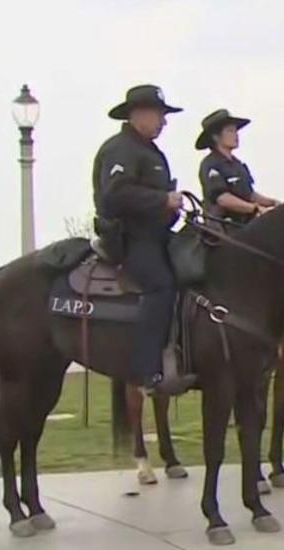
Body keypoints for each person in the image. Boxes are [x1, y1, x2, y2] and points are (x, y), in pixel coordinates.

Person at [92, 84, 196, 396]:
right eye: (159, 115)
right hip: (129, 239)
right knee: (160, 284)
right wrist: (163, 200)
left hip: (155, 236)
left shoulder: (149, 152)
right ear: (138, 114)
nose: (163, 122)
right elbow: (116, 195)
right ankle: (146, 370)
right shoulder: (120, 149)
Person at [195, 108, 279, 226]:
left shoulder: (238, 164)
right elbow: (223, 199)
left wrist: (272, 203)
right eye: (230, 131)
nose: (236, 135)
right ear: (216, 137)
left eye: (236, 131)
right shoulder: (210, 164)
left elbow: (250, 194)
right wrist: (255, 208)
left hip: (246, 224)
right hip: (224, 227)